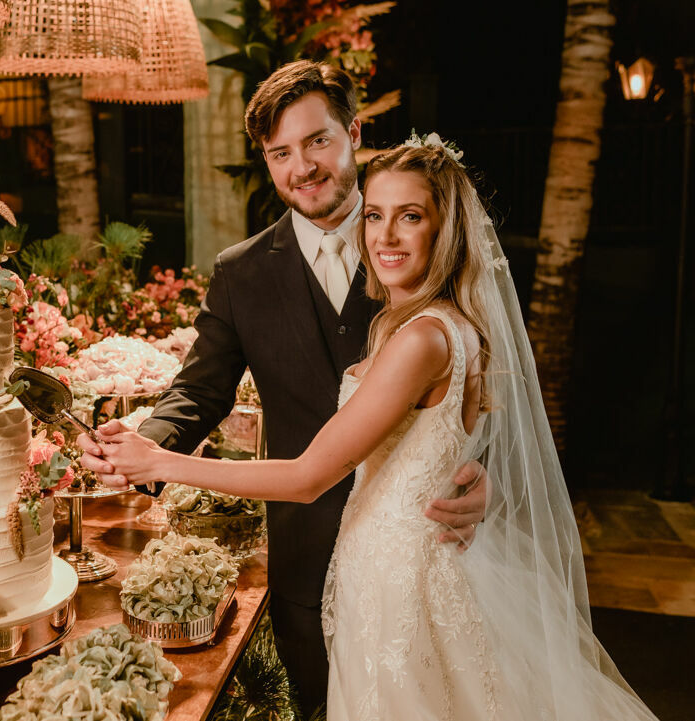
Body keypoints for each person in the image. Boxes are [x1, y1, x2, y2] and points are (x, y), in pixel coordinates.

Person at [92, 137, 660, 720]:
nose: (385, 237)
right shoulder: (429, 323)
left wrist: (159, 462)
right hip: (392, 566)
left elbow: (310, 476)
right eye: (376, 217)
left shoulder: (420, 338)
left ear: (446, 232)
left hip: (402, 583)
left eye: (410, 217)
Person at [78, 60, 485, 715]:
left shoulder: (418, 242)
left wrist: (476, 469)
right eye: (280, 153)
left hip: (424, 550)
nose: (303, 167)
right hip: (306, 555)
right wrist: (142, 442)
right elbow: (199, 390)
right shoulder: (241, 274)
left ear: (354, 131)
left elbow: (477, 383)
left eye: (318, 141)